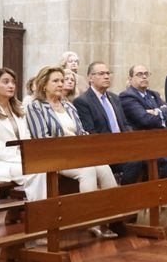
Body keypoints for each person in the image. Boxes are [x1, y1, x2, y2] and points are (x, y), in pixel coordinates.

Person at [26, 66, 119, 239]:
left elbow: (81, 132)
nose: (60, 84)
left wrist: (87, 146)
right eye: (55, 81)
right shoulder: (36, 107)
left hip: (77, 154)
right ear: (44, 84)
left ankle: (112, 217)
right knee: (88, 171)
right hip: (54, 157)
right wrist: (70, 152)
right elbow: (41, 140)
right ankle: (91, 221)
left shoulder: (68, 106)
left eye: (62, 80)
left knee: (104, 167)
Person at [0, 67, 46, 201]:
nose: (11, 85)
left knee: (49, 167)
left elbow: (27, 138)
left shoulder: (18, 109)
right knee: (37, 172)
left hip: (19, 160)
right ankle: (39, 213)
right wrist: (20, 158)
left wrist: (27, 156)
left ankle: (43, 210)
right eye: (5, 82)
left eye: (13, 82)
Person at [73, 61, 145, 185]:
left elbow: (124, 124)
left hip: (122, 147)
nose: (106, 76)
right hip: (102, 150)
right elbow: (90, 132)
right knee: (135, 161)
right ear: (90, 78)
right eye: (101, 73)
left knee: (147, 155)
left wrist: (131, 140)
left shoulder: (114, 98)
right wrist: (116, 146)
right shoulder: (83, 101)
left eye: (108, 73)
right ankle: (123, 197)